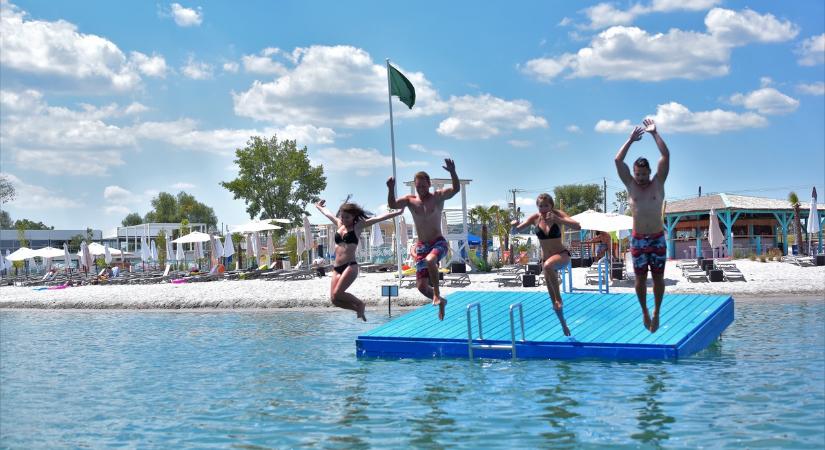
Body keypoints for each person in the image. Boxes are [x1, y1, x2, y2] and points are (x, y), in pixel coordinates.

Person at [387, 159, 460, 321]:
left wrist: (453, 172)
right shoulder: (410, 201)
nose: (421, 189)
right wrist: (391, 188)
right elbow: (392, 204)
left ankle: (436, 294)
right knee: (420, 287)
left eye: (423, 186)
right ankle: (441, 301)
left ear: (429, 184)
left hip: (438, 242)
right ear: (415, 185)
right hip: (421, 246)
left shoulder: (438, 197)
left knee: (430, 260)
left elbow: (455, 189)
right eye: (418, 186)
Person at [615, 118, 670, 333]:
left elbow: (665, 156)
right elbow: (618, 161)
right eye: (637, 174)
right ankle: (645, 311)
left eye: (643, 174)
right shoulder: (630, 185)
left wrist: (655, 134)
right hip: (638, 238)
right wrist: (630, 140)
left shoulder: (658, 183)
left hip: (657, 238)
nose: (640, 178)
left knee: (658, 278)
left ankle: (657, 311)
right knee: (639, 279)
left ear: (649, 173)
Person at [315, 198, 405, 321]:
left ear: (353, 217)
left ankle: (360, 304)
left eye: (347, 217)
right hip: (336, 268)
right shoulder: (339, 224)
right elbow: (328, 213)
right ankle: (357, 309)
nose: (344, 220)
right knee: (334, 300)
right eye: (342, 217)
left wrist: (398, 213)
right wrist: (319, 207)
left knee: (338, 294)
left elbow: (378, 218)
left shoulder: (358, 226)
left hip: (350, 266)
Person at [512, 193, 581, 336]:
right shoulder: (535, 218)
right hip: (546, 261)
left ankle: (560, 298)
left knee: (548, 267)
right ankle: (564, 326)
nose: (543, 208)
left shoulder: (557, 214)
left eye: (546, 205)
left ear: (551, 206)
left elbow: (577, 226)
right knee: (553, 302)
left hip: (562, 256)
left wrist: (558, 219)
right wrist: (514, 225)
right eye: (540, 206)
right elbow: (518, 230)